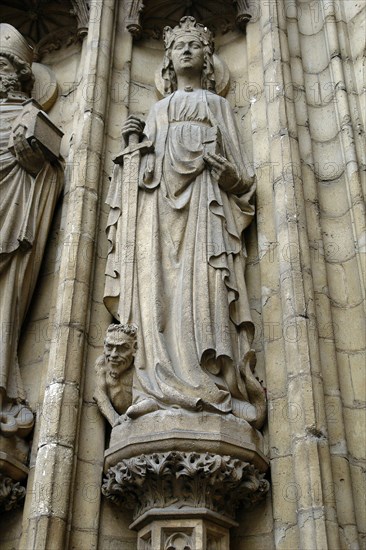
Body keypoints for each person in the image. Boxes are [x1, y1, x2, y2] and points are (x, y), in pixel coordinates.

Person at [104, 16, 265, 427]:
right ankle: (154, 388)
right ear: (168, 61)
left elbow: (242, 179)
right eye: (179, 47)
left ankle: (212, 388)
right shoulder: (159, 111)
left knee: (206, 290)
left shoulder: (217, 107)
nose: (187, 51)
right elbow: (141, 177)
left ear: (208, 59)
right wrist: (133, 149)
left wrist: (226, 174)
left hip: (204, 211)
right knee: (156, 294)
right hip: (158, 220)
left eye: (195, 45)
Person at [0, 24, 64, 436]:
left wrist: (37, 161)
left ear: (17, 72)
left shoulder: (30, 116)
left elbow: (50, 173)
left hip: (10, 221)